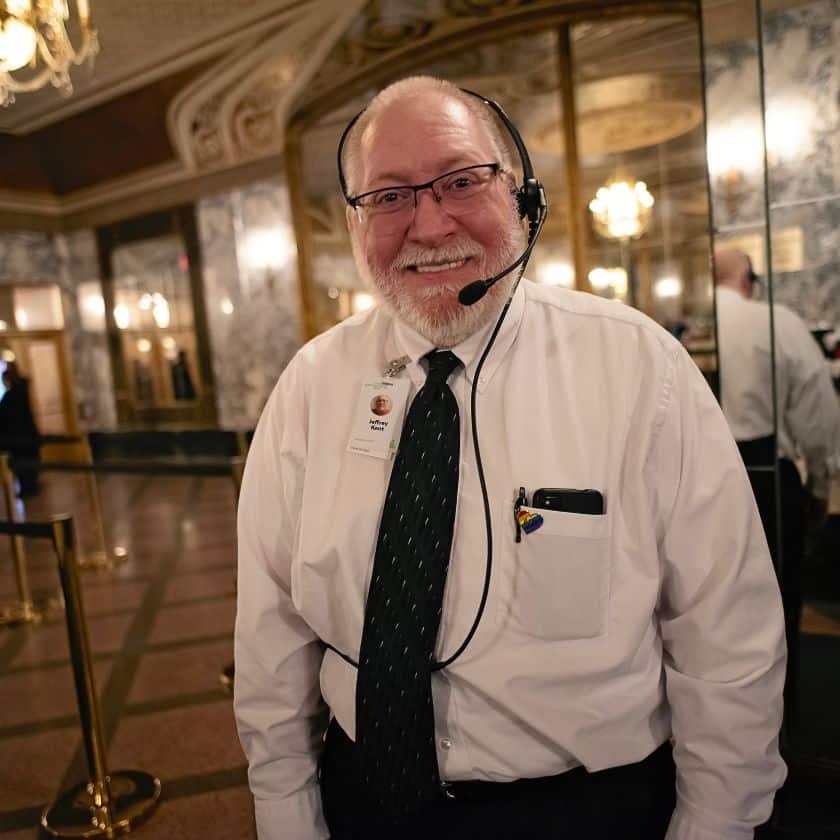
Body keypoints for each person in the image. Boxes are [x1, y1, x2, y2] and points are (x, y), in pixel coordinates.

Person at [235, 77, 787, 840]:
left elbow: (726, 634)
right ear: (355, 223)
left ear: (524, 197)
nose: (429, 224)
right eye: (389, 197)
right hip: (366, 799)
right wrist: (287, 815)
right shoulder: (309, 387)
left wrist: (717, 824)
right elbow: (271, 635)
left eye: (462, 181)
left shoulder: (638, 369)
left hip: (587, 809)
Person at [714, 247, 840, 727]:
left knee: (707, 601)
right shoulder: (775, 321)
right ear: (749, 276)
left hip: (702, 471)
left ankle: (721, 718)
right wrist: (822, 481)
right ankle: (778, 716)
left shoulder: (687, 329)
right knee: (775, 598)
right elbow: (816, 411)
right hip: (764, 470)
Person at [0, 361, 40, 496]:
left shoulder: (11, 397)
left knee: (24, 466)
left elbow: (4, 416)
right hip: (26, 436)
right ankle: (30, 487)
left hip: (18, 439)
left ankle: (28, 488)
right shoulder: (21, 392)